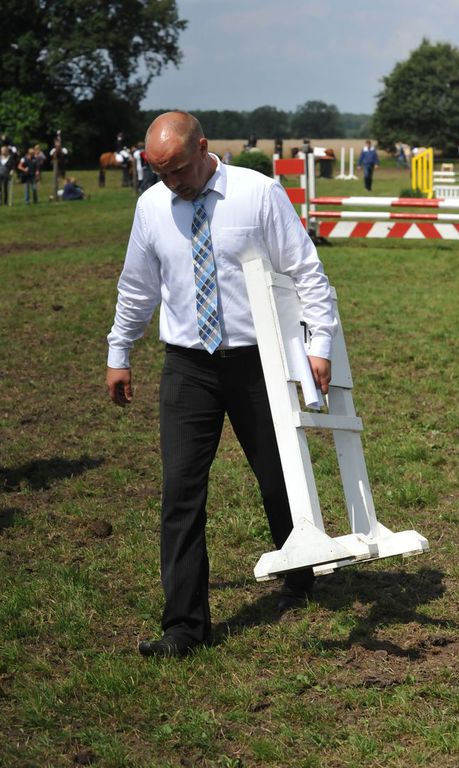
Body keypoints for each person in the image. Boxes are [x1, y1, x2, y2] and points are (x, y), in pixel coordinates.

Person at [106, 111, 337, 658]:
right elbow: (138, 286)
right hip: (188, 366)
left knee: (278, 477)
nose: (172, 182)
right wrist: (120, 351)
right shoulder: (151, 207)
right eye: (160, 172)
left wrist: (320, 343)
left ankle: (299, 571)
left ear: (203, 147)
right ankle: (184, 627)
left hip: (259, 361)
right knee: (180, 492)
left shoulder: (258, 194)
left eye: (179, 169)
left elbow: (305, 269)